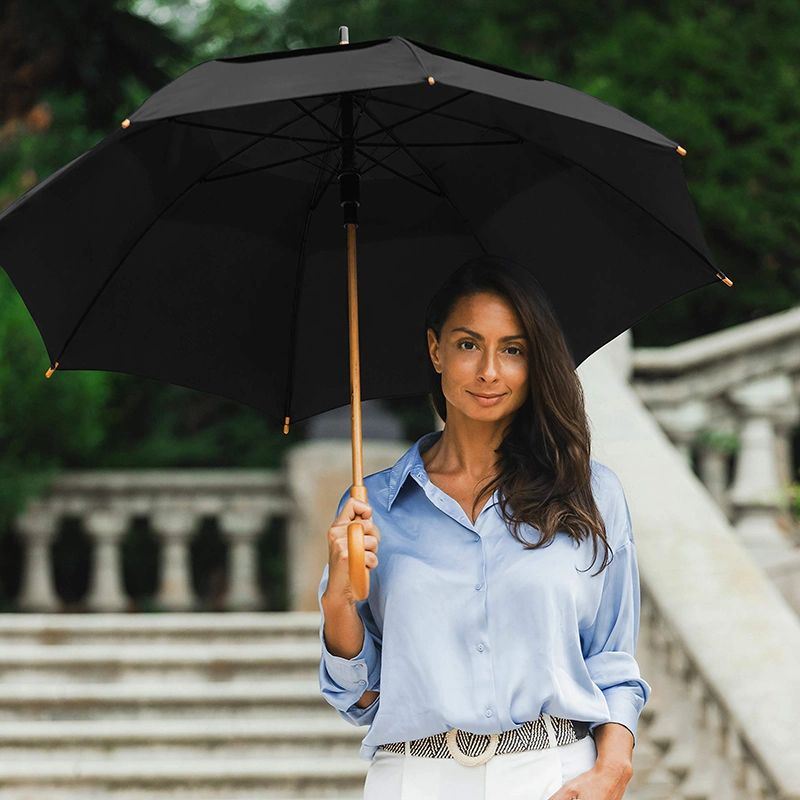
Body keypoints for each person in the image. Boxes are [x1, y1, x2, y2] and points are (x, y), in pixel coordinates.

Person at [317, 254, 651, 800]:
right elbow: (360, 698)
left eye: (513, 350)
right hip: (415, 777)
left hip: (553, 774)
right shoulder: (370, 507)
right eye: (469, 344)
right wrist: (338, 602)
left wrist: (613, 768)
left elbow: (612, 659)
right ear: (436, 350)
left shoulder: (591, 492)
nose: (490, 371)